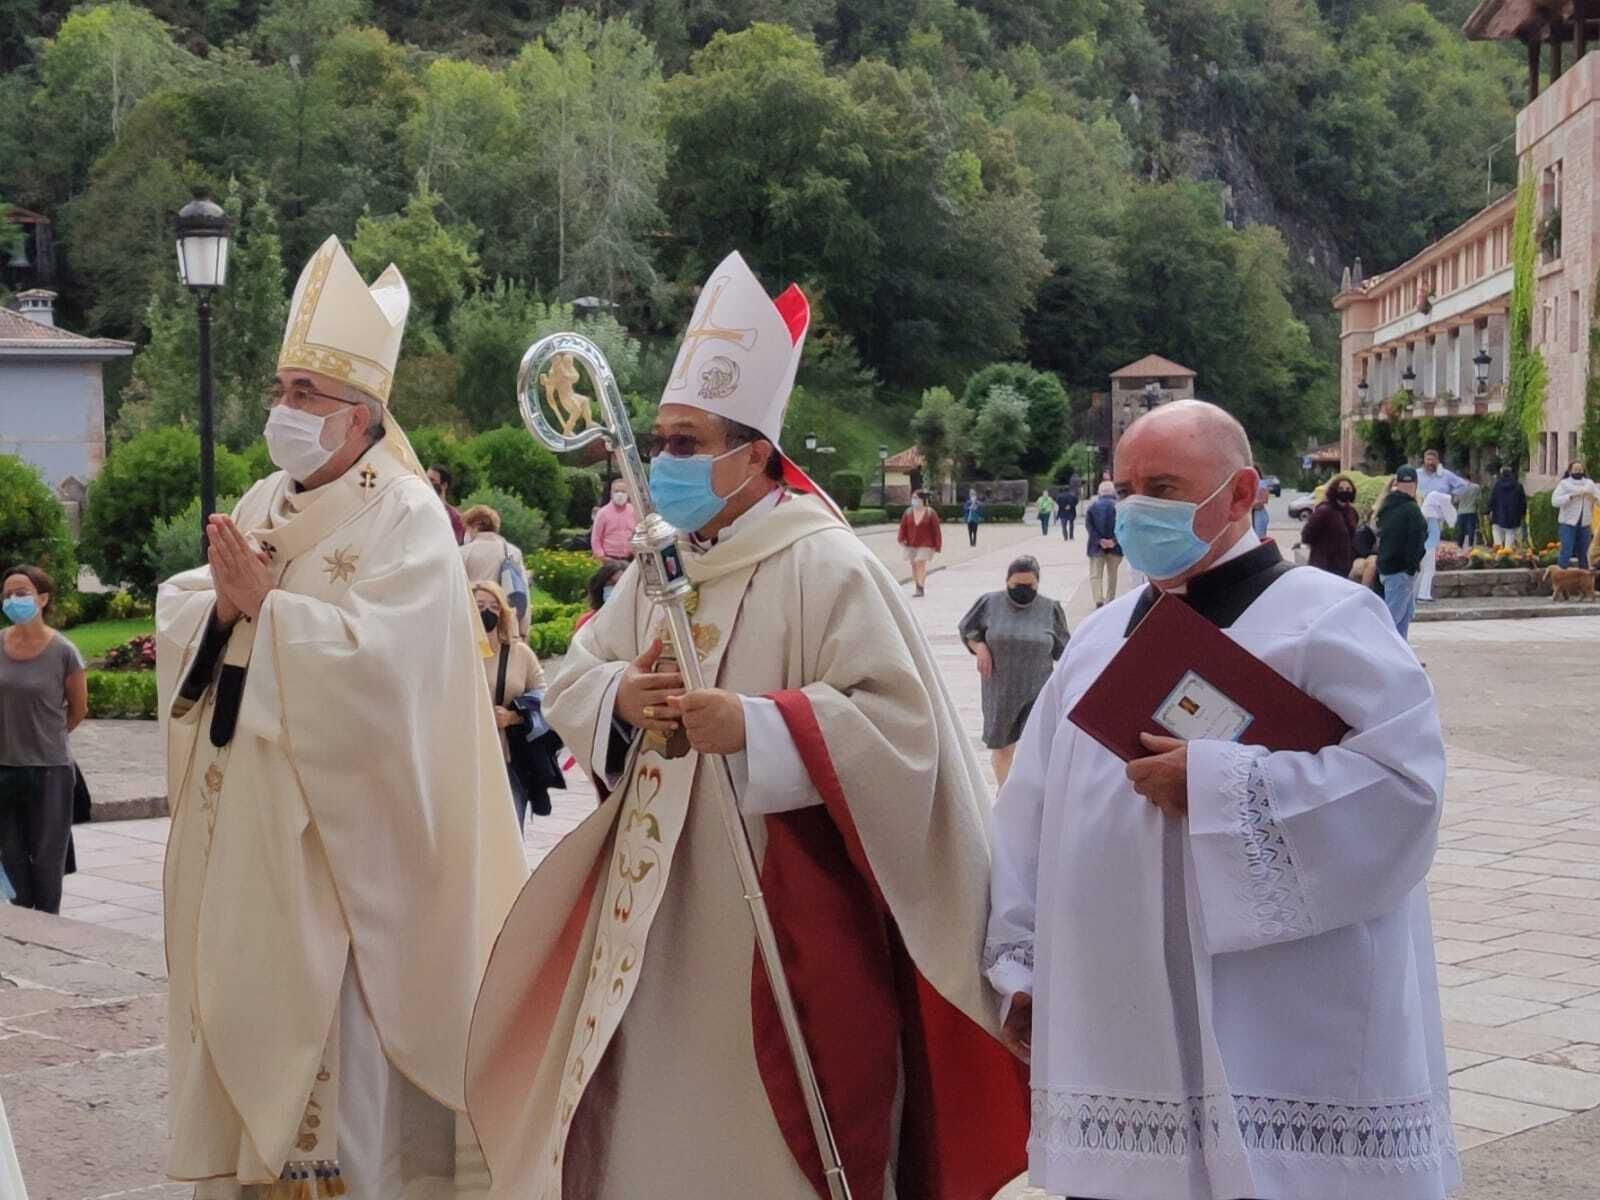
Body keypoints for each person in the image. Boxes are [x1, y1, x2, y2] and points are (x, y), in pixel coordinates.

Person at [466, 250, 1027, 1200]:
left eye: (688, 443)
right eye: (660, 440)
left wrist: (761, 727)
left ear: (757, 452)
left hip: (776, 914)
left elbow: (903, 732)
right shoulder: (660, 564)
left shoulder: (825, 566)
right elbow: (581, 672)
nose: (665, 463)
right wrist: (621, 704)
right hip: (652, 913)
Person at [986, 400, 1455, 1200]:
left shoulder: (1329, 619)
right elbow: (1028, 818)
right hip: (1116, 1025)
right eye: (1125, 486)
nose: (1136, 509)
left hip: (1282, 1024)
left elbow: (1405, 792)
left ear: (1240, 494)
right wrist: (1021, 965)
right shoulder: (1097, 641)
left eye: (1163, 486)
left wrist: (1215, 787)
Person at [154, 236, 527, 1198]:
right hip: (257, 850)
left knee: (348, 1104)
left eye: (306, 395)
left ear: (360, 417)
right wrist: (227, 607)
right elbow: (198, 601)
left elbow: (390, 679)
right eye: (281, 388)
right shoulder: (264, 497)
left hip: (350, 862)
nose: (285, 410)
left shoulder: (403, 515)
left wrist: (265, 615)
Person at [0, 564, 87, 914]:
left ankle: (49, 932)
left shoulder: (64, 651)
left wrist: (47, 736)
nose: (13, 599)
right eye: (7, 594)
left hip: (51, 770)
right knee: (11, 857)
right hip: (4, 767)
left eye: (22, 593)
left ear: (43, 598)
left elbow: (78, 710)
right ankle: (25, 936)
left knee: (48, 862)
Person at [958, 555, 1069, 788]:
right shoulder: (989, 603)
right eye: (1017, 585)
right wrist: (979, 647)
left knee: (1038, 748)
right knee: (1003, 746)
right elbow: (967, 629)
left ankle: (1031, 797)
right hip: (1001, 688)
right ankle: (1004, 791)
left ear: (1037, 583)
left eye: (1029, 585)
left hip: (1037, 688)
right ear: (1007, 581)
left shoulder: (1050, 609)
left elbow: (1065, 650)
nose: (1023, 589)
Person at [474, 580, 550, 830]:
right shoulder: (454, 651)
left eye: (494, 607)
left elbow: (544, 696)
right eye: (480, 605)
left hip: (509, 757)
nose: (487, 612)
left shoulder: (519, 654)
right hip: (467, 758)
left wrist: (513, 716)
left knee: (509, 829)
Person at [461, 504, 530, 636]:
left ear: (474, 526)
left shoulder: (463, 553)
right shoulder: (512, 552)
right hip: (504, 621)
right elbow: (522, 591)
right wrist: (523, 630)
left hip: (472, 621)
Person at [1377, 464, 1429, 638]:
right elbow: (1416, 540)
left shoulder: (1386, 506)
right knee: (1392, 621)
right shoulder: (1412, 509)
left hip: (1388, 567)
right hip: (1401, 571)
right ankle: (1380, 656)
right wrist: (1412, 568)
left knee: (1403, 619)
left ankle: (1402, 657)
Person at [1300, 474, 1360, 578]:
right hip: (1323, 566)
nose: (1345, 491)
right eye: (1341, 488)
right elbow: (1307, 534)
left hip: (1344, 567)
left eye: (1348, 489)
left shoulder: (1352, 512)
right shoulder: (1324, 511)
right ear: (1334, 490)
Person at [1552, 460, 1600, 568]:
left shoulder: (1590, 484)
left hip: (1585, 524)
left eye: (1580, 469)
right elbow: (1554, 501)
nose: (1578, 471)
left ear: (1583, 471)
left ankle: (1584, 579)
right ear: (1570, 471)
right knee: (1566, 551)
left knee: (1584, 553)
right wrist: (1570, 497)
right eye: (1575, 469)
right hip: (1568, 524)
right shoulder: (1564, 484)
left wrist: (1594, 498)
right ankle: (1561, 577)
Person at [898, 488, 943, 597]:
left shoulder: (930, 513)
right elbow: (903, 527)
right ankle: (917, 585)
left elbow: (936, 530)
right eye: (913, 498)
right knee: (914, 565)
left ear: (922, 499)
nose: (914, 500)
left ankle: (920, 588)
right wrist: (901, 538)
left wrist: (937, 545)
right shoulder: (908, 512)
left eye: (916, 498)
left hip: (926, 544)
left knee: (920, 562)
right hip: (911, 543)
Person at [1084, 480, 1122, 607]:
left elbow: (1089, 527)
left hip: (1096, 547)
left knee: (1096, 575)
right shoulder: (1119, 506)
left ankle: (1098, 599)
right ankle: (1110, 599)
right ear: (1113, 492)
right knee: (1113, 575)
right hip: (1115, 547)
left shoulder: (1092, 507)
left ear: (1100, 492)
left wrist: (1100, 540)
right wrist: (1114, 540)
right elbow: (1123, 526)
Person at [1417, 486, 1458, 602]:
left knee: (1425, 571)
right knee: (1428, 570)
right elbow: (1432, 534)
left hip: (1427, 547)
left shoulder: (1427, 515)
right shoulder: (1429, 517)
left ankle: (1421, 593)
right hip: (1428, 547)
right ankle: (1423, 594)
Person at [574, 557, 628, 634]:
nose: (616, 589)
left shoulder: (641, 623)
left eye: (621, 584)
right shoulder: (587, 622)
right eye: (611, 584)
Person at [590, 477, 636, 560]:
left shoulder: (634, 511)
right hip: (609, 558)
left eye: (623, 491)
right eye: (616, 491)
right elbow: (595, 538)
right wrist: (601, 557)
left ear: (628, 493)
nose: (620, 494)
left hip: (631, 558)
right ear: (611, 494)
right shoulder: (602, 513)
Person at [427, 463, 467, 545]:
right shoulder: (420, 510)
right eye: (426, 478)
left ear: (444, 485)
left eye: (432, 480)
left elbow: (456, 546)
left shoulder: (455, 517)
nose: (427, 482)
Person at [1489, 465, 1527, 547]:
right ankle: (1507, 554)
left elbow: (1492, 499)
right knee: (1510, 534)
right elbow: (1522, 501)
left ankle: (1498, 551)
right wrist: (1522, 513)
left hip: (1498, 514)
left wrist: (1490, 510)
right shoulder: (1518, 485)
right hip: (1513, 516)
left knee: (1496, 531)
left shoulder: (1497, 485)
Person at [1456, 476, 1482, 548]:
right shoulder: (1476, 487)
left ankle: (1460, 545)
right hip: (1472, 511)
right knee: (1471, 529)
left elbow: (1456, 500)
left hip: (1461, 512)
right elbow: (1479, 498)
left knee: (1461, 529)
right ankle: (1470, 545)